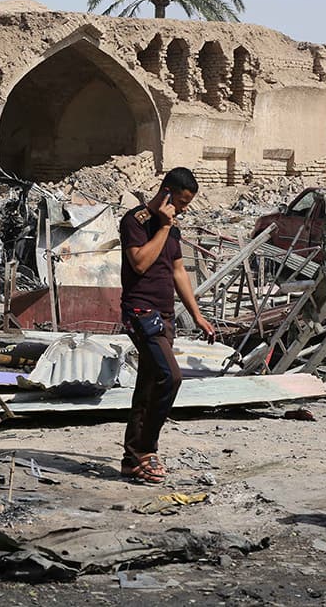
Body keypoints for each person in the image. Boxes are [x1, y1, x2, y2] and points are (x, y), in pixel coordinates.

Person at [119, 167, 214, 484]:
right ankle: (147, 450)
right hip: (140, 312)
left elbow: (178, 273)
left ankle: (131, 460)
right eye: (182, 201)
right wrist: (164, 226)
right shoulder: (136, 221)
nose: (184, 208)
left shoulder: (173, 230)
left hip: (165, 314)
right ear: (167, 192)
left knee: (148, 385)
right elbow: (140, 262)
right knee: (169, 376)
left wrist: (197, 315)